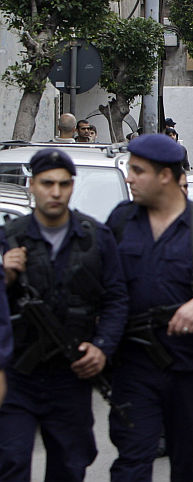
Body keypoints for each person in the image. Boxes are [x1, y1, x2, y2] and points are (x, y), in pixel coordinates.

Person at [107, 134, 193, 482]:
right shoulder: (122, 220)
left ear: (165, 176)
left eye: (137, 171)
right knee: (131, 462)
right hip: (134, 365)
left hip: (191, 367)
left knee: (190, 462)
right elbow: (99, 283)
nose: (129, 178)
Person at [0, 149, 128, 481]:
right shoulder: (10, 237)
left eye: (62, 184)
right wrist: (5, 276)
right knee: (10, 461)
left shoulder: (95, 237)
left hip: (71, 373)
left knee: (70, 464)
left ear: (72, 186)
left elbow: (116, 299)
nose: (55, 192)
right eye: (46, 183)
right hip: (19, 374)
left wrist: (102, 347)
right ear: (31, 186)